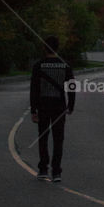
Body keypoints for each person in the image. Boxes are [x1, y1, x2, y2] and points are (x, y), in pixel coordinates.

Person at [30, 36, 75, 182]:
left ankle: (43, 169)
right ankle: (56, 172)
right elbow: (71, 88)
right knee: (58, 139)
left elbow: (34, 90)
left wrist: (33, 110)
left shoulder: (38, 66)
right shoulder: (65, 66)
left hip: (43, 106)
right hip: (59, 106)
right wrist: (71, 106)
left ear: (44, 48)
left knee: (43, 138)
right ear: (58, 48)